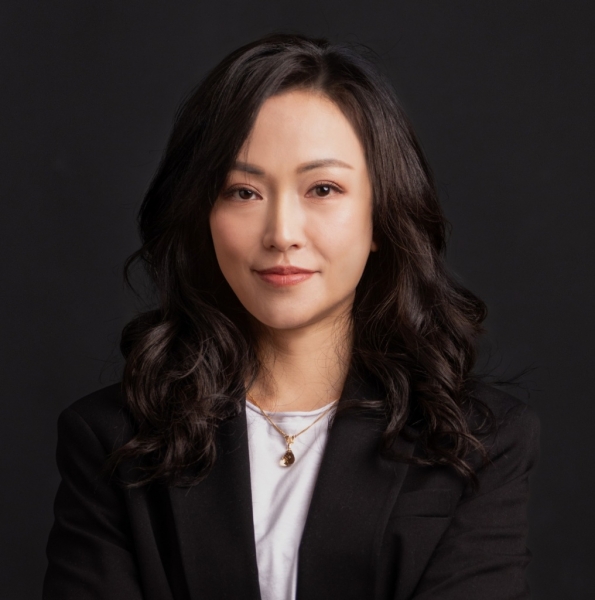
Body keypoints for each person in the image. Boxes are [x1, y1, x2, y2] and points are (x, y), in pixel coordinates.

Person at [43, 33, 540, 600]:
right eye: (243, 192)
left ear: (381, 215)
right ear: (202, 217)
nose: (282, 234)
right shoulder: (111, 439)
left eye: (322, 189)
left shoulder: (479, 440)